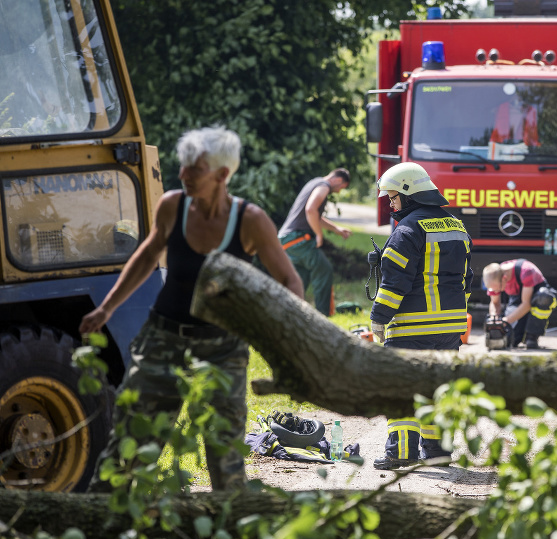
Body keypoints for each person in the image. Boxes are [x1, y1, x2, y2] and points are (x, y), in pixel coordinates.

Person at [79, 126, 305, 491]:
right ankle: (99, 528)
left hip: (223, 349)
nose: (182, 174)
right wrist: (106, 308)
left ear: (221, 175)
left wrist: (293, 337)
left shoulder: (250, 221)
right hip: (163, 339)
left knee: (224, 454)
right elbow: (148, 254)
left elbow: (289, 280)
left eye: (194, 169)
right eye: (183, 166)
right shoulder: (173, 206)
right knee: (130, 445)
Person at [369, 162, 474, 470]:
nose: (390, 204)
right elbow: (467, 279)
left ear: (408, 193)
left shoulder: (406, 231)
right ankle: (438, 452)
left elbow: (395, 284)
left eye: (392, 197)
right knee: (439, 389)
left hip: (411, 329)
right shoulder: (457, 225)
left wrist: (379, 318)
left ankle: (402, 451)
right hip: (451, 328)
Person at [278, 168, 352, 316]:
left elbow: (314, 214)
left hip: (287, 240)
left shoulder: (314, 182)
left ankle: (288, 314)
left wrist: (336, 229)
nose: (337, 192)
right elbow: (311, 209)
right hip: (298, 238)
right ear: (337, 180)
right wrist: (319, 235)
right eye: (341, 188)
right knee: (324, 270)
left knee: (300, 279)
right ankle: (322, 317)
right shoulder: (324, 185)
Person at [481, 259, 557, 350]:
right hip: (518, 298)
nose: (496, 292)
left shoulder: (526, 271)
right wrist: (495, 319)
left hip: (538, 295)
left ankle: (532, 336)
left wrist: (505, 321)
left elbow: (526, 304)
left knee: (543, 298)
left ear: (504, 278)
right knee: (510, 340)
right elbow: (495, 303)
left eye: (498, 289)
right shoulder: (494, 275)